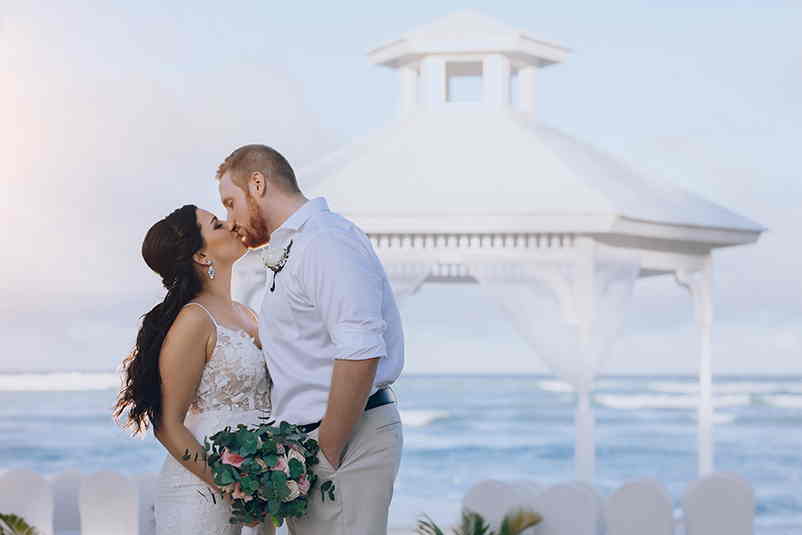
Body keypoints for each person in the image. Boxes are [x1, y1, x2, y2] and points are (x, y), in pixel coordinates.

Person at [217, 144, 405, 535]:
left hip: (342, 441)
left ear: (257, 184)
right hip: (310, 445)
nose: (229, 219)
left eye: (231, 203)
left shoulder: (325, 241)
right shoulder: (296, 245)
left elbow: (361, 349)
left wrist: (327, 451)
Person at [115, 204, 274, 535]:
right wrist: (231, 485)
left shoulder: (247, 314)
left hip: (256, 491)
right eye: (217, 224)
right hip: (202, 498)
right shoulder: (194, 320)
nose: (232, 225)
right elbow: (167, 425)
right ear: (202, 256)